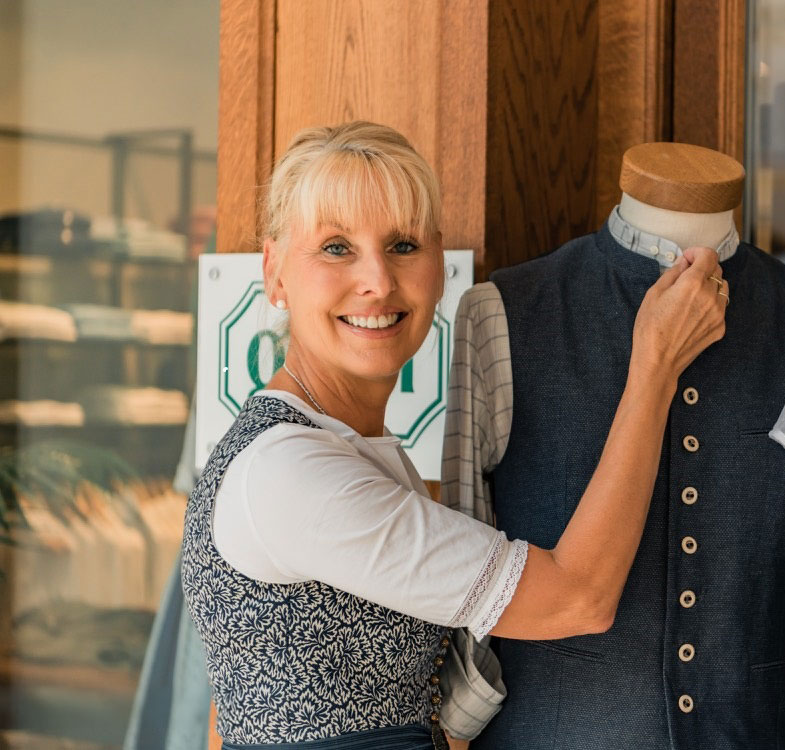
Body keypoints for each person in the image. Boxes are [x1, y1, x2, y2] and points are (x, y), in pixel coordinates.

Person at [180, 120, 728, 750]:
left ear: (439, 265)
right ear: (275, 272)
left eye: (404, 245)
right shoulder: (291, 472)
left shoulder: (347, 447)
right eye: (336, 248)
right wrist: (655, 366)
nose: (378, 282)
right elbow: (577, 598)